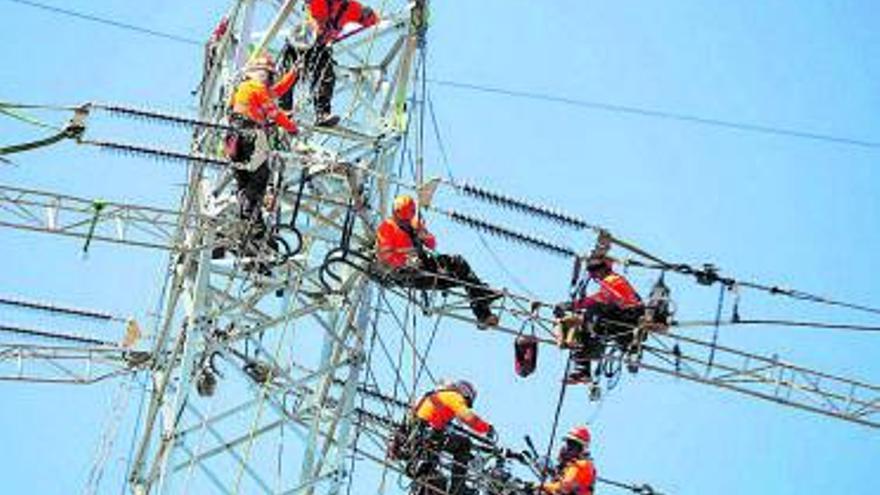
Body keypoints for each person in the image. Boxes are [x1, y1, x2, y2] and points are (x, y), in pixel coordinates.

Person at [375, 195, 500, 328]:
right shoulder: (386, 229)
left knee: (459, 266)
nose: (405, 223)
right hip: (409, 275)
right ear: (395, 214)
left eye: (408, 220)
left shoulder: (414, 223)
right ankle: (483, 301)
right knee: (465, 279)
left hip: (425, 267)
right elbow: (384, 257)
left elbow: (432, 244)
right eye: (403, 220)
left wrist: (423, 234)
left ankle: (483, 313)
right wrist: (405, 262)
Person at [225, 54, 299, 241]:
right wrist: (291, 127)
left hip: (233, 137)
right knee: (261, 175)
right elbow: (273, 112)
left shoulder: (244, 88)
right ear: (255, 73)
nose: (268, 77)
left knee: (244, 181)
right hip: (250, 133)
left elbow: (277, 91)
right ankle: (250, 215)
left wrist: (293, 73)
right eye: (266, 73)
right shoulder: (256, 88)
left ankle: (251, 223)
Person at [280, 0, 379, 126]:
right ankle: (283, 109)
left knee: (326, 76)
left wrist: (369, 15)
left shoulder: (351, 7)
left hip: (320, 46)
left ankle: (322, 114)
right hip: (303, 40)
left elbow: (373, 22)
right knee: (289, 72)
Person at [554, 256, 644, 385]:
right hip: (622, 320)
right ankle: (583, 369)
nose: (594, 278)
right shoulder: (611, 280)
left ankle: (588, 359)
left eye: (593, 273)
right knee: (585, 324)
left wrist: (570, 305)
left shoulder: (612, 280)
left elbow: (599, 299)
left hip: (628, 316)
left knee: (590, 315)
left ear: (600, 270)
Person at [406, 380, 496, 495]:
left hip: (419, 436)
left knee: (437, 478)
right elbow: (468, 417)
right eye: (467, 401)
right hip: (429, 435)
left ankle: (423, 469)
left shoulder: (434, 396)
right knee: (464, 443)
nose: (465, 404)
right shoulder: (453, 396)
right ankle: (458, 487)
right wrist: (487, 428)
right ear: (464, 393)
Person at [537, 426, 596, 495]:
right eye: (568, 443)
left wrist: (537, 486)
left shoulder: (581, 464)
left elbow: (563, 487)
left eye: (573, 446)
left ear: (581, 450)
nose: (568, 448)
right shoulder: (567, 469)